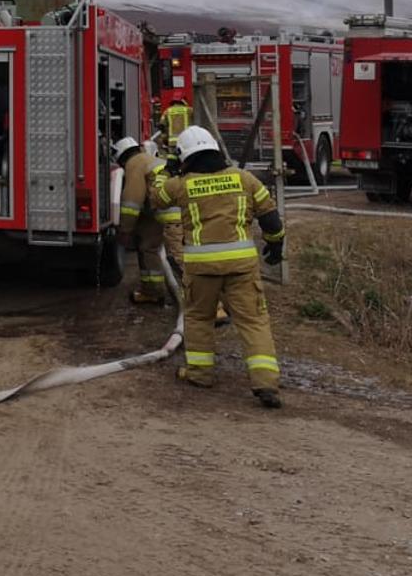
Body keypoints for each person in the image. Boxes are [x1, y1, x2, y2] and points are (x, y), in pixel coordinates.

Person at [154, 126, 287, 409]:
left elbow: (157, 197)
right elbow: (271, 219)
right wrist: (276, 245)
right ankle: (266, 383)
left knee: (199, 319)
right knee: (253, 321)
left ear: (186, 157)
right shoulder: (245, 179)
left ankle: (200, 375)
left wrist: (168, 168)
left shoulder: (182, 184)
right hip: (241, 268)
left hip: (201, 270)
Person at [114, 137, 171, 304]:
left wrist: (125, 229)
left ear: (122, 157)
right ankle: (152, 290)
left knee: (149, 249)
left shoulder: (134, 164)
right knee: (149, 244)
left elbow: (132, 201)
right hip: (165, 206)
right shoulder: (149, 159)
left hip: (164, 210)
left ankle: (153, 292)